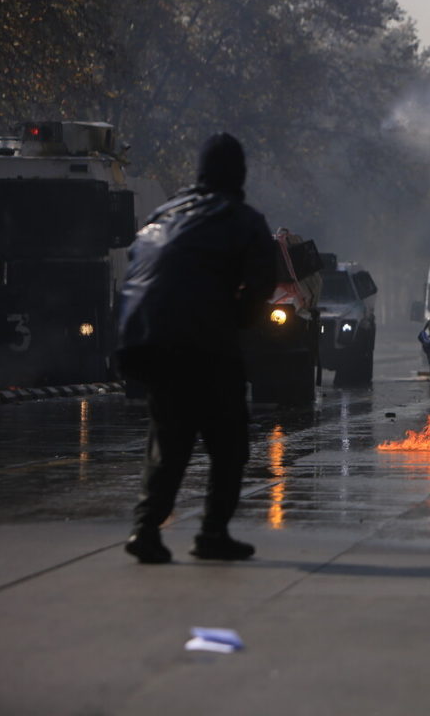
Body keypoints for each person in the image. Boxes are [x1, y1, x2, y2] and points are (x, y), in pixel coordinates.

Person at [117, 133, 276, 564]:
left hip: (149, 343)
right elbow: (264, 281)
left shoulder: (163, 213)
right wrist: (236, 320)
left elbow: (137, 267)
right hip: (205, 346)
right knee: (229, 443)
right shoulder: (242, 219)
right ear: (239, 173)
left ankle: (145, 529)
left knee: (168, 440)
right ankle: (212, 533)